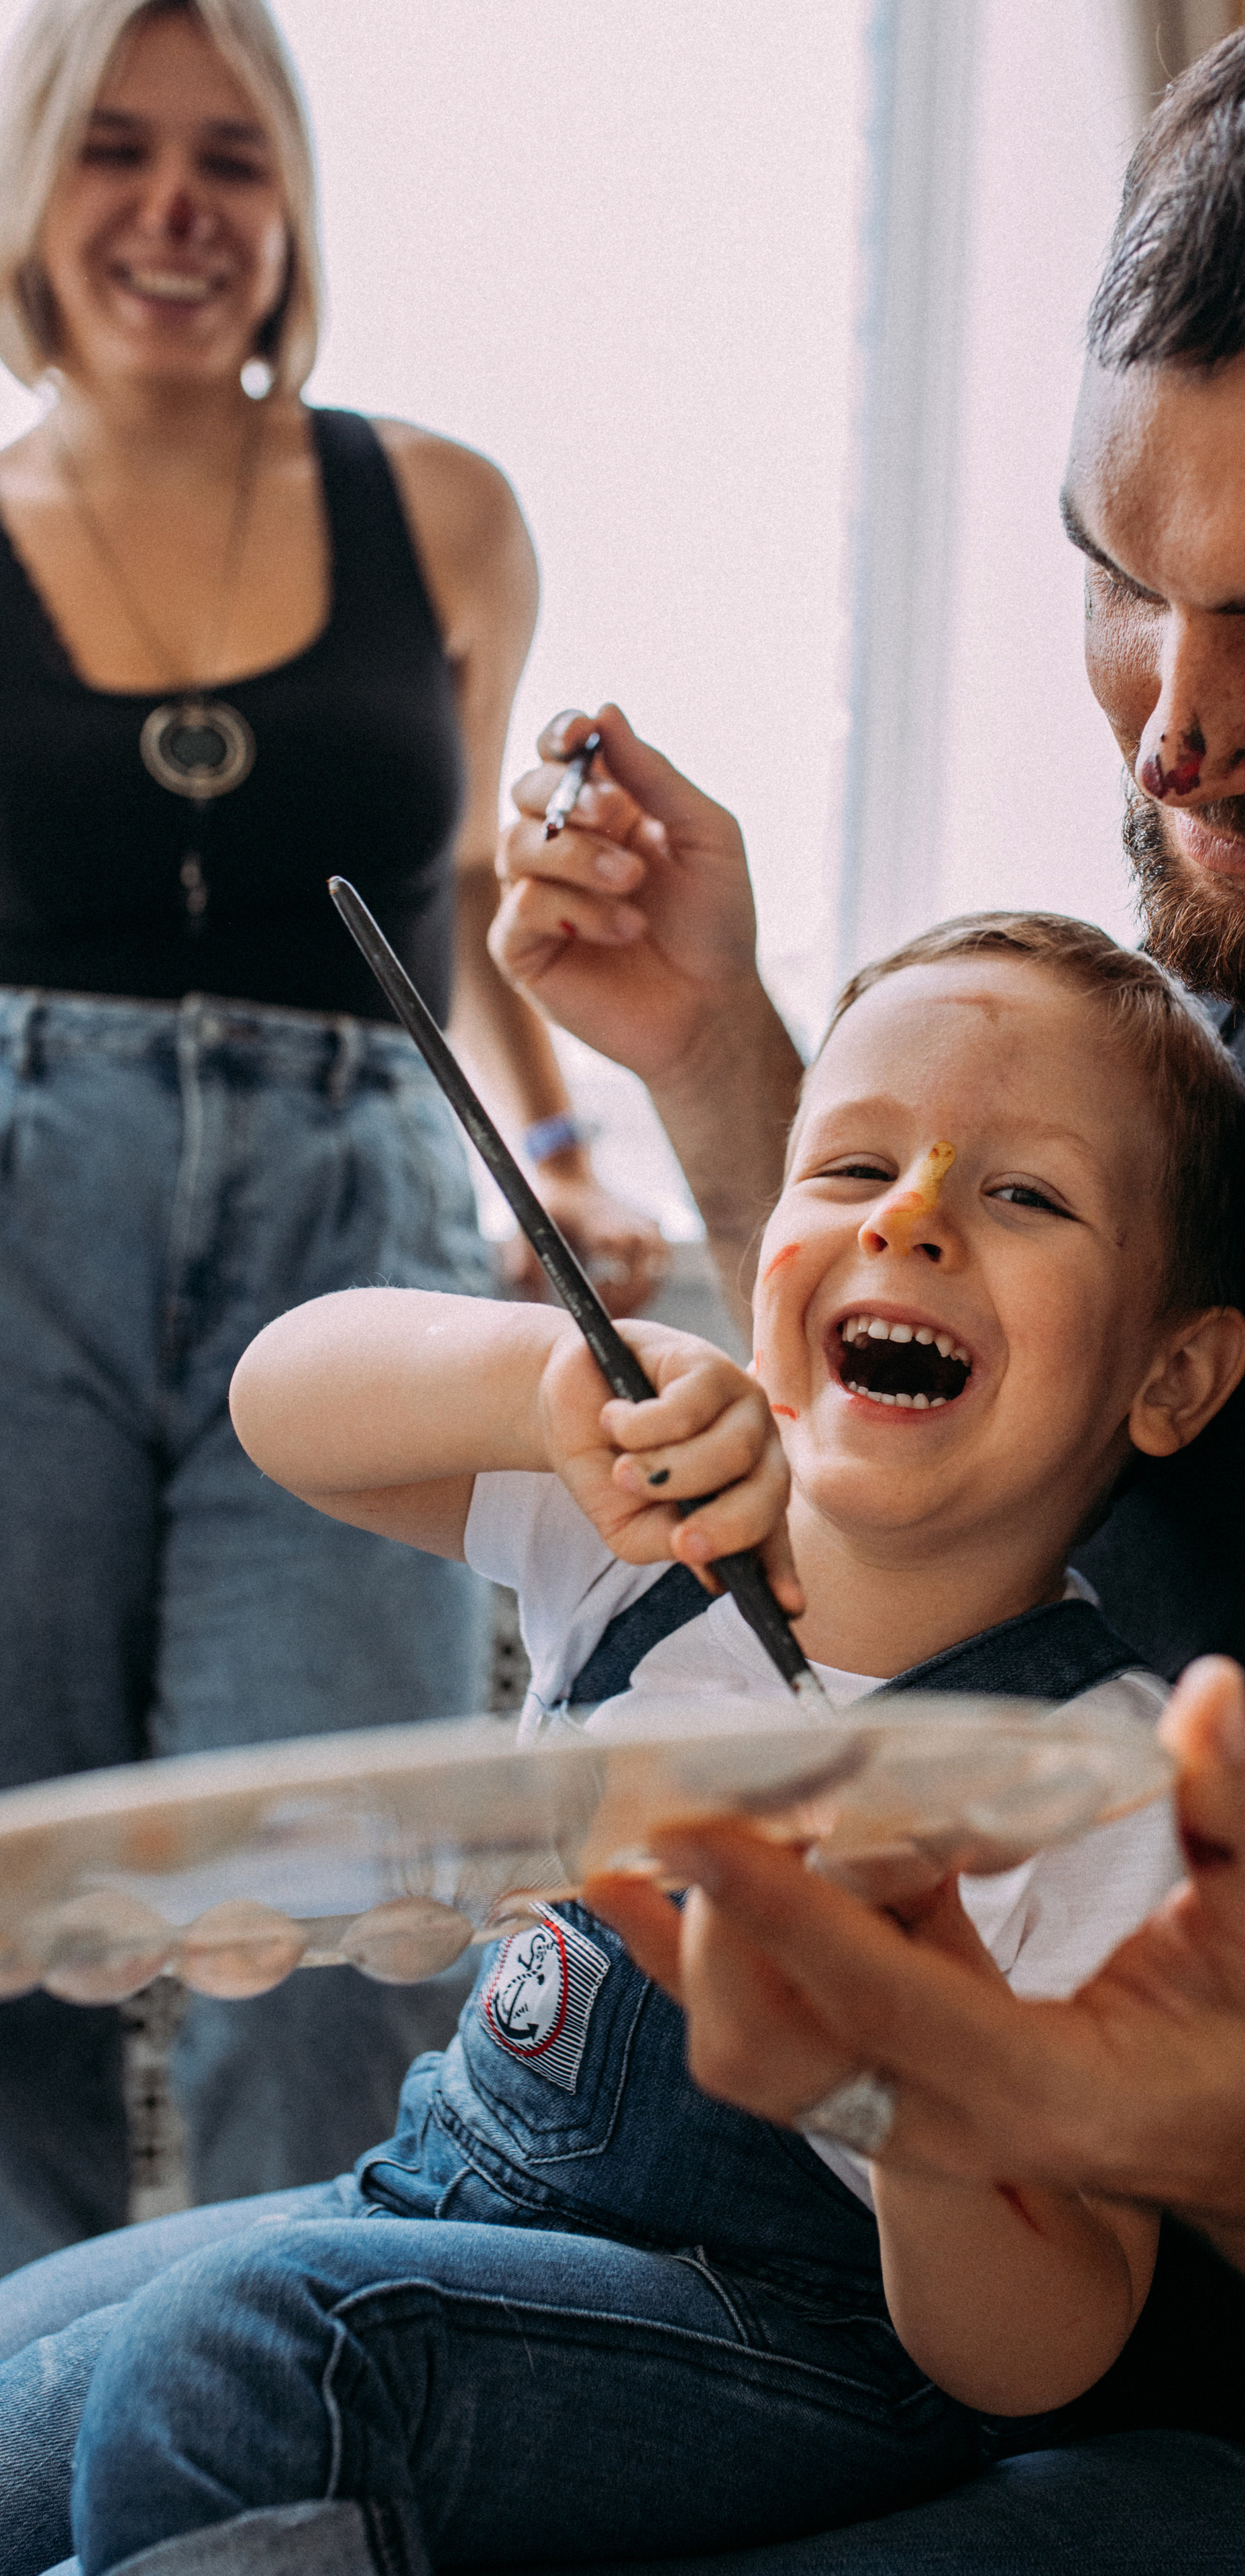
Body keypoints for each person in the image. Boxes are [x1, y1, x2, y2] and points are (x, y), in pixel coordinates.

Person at [465, 3, 1245, 2571]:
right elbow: (1034, 1468)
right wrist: (735, 1079)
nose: (1178, 735)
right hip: (869, 2340)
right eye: (1121, 581)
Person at [0, 912, 1245, 2576]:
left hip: (793, 2343)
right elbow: (277, 1397)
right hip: (442, 2201)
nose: (911, 1215)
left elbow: (1048, 2350)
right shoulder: (631, 1532)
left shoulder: (1090, 1778)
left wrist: (919, 2077)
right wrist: (543, 1390)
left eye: (1019, 1195)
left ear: (1169, 1372)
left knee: (247, 2357)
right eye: (852, 1166)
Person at [0, 0, 666, 2273]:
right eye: (115, 152)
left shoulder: (445, 511)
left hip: (352, 1219)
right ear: (31, 184)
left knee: (343, 1884)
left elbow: (460, 902)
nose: (176, 211)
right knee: (17, 1875)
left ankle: (285, 2435)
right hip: (17, 1202)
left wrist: (559, 1144)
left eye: (231, 158)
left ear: (291, 205)